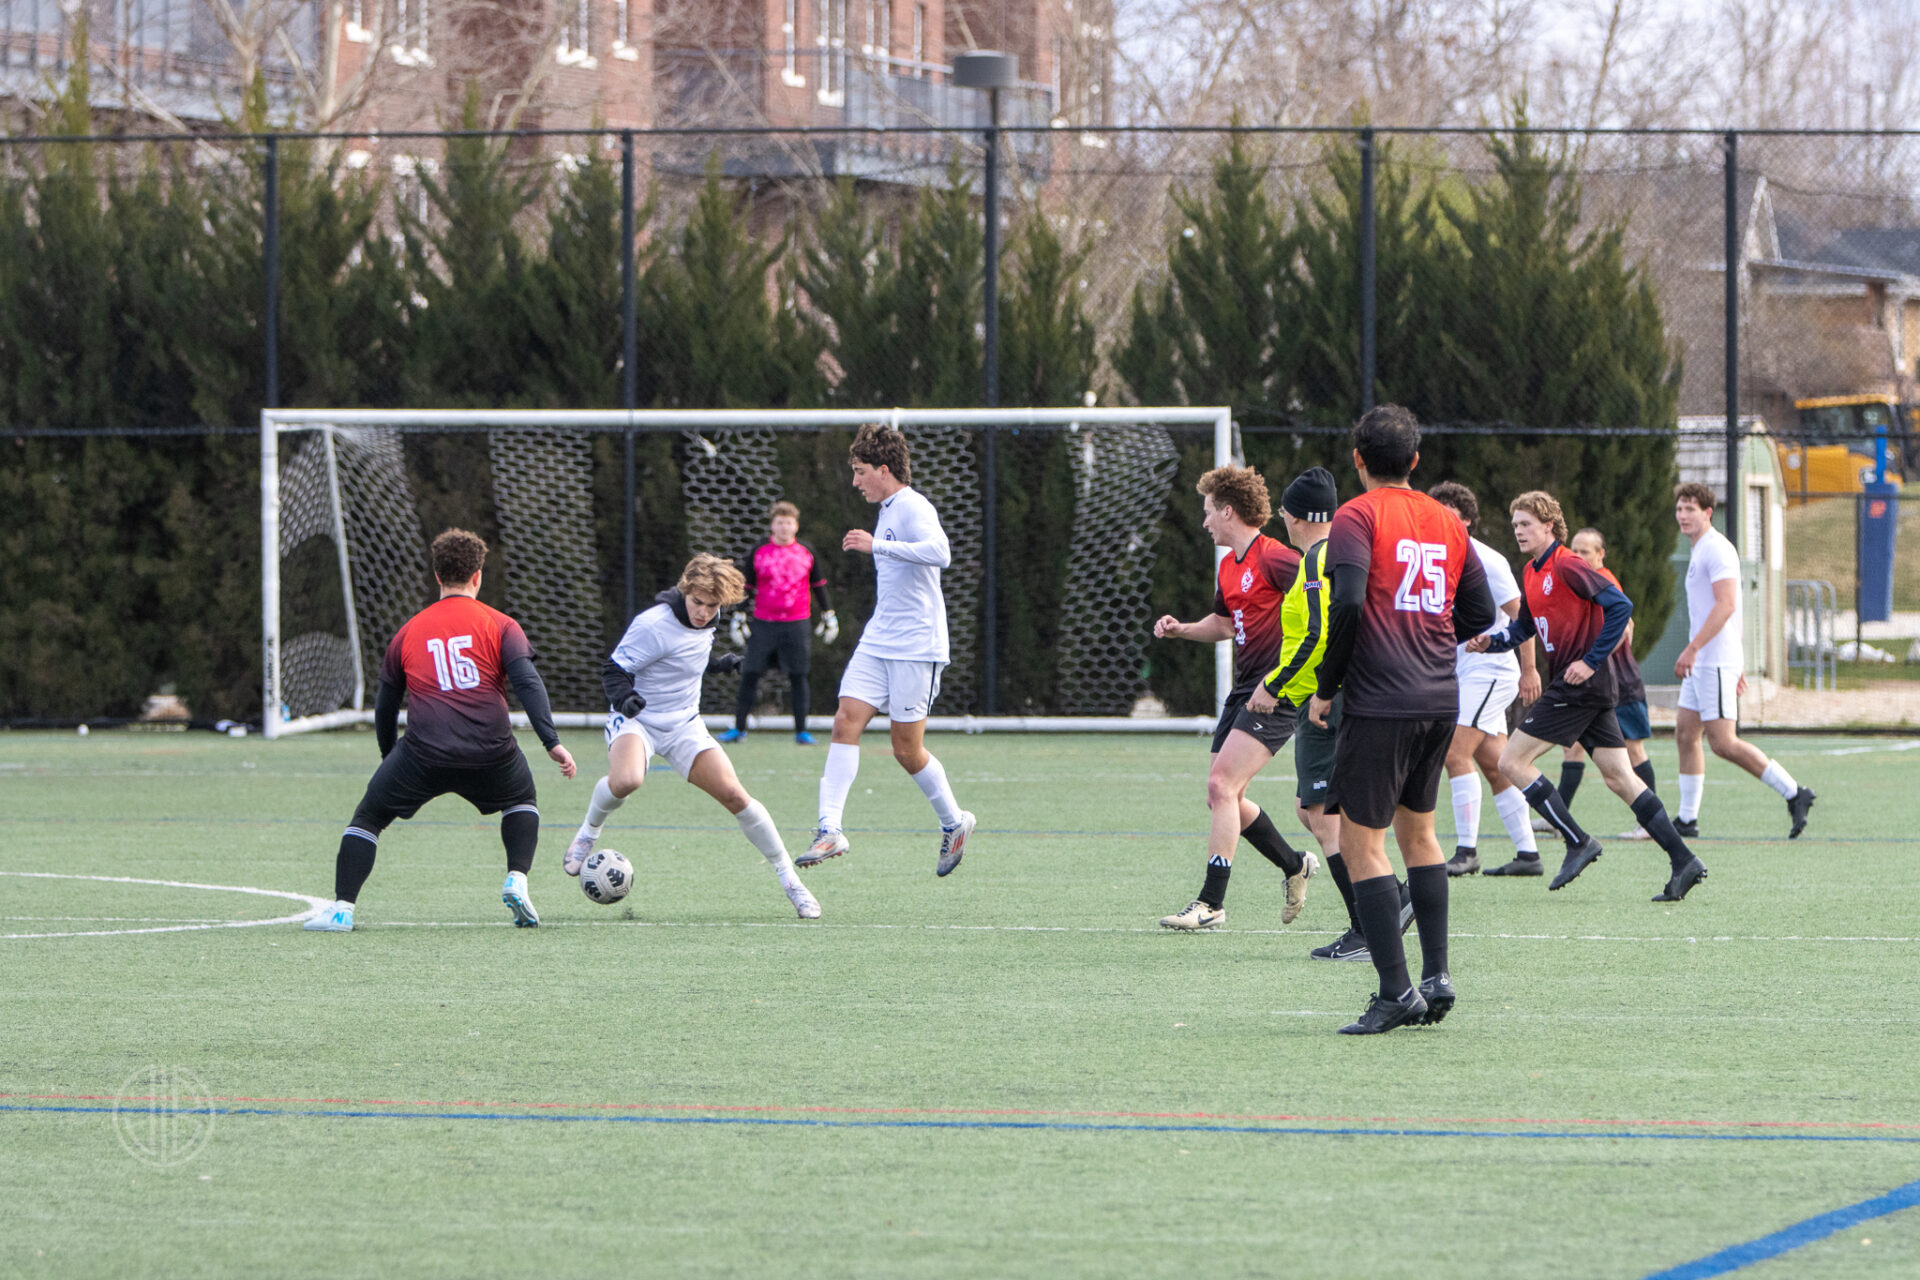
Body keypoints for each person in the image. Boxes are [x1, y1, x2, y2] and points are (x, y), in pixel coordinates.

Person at [1309, 406, 1497, 1035]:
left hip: (1381, 699)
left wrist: (1327, 685)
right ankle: (1436, 976)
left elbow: (1349, 602)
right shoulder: (1446, 519)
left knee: (1362, 843)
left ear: (1357, 459)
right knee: (1421, 835)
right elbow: (1479, 612)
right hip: (1439, 696)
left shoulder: (1356, 515)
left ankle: (1396, 991)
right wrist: (1428, 634)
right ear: (1415, 461)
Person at [305, 529, 577, 933]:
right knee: (521, 798)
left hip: (423, 754)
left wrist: (389, 758)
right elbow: (527, 682)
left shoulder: (408, 632)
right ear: (478, 576)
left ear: (436, 576)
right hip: (491, 751)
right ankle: (517, 878)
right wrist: (551, 742)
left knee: (369, 818)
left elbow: (385, 706)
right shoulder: (502, 625)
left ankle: (342, 909)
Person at [1468, 491, 1707, 903]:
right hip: (1584, 689)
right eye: (1515, 524)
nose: (1518, 531)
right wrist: (1491, 642)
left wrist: (1591, 661)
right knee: (1620, 778)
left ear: (1549, 526)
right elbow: (1524, 628)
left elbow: (1620, 606)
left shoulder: (1567, 563)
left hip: (1578, 687)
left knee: (1511, 762)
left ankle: (1577, 840)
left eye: (1526, 524)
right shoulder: (1531, 571)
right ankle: (1683, 859)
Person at [565, 554, 820, 920]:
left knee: (736, 795)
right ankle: (589, 832)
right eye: (698, 602)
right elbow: (614, 669)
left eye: (712, 606)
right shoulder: (653, 624)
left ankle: (790, 880)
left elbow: (684, 656)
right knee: (627, 780)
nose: (704, 612)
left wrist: (718, 664)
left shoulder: (710, 618)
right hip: (638, 720)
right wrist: (625, 698)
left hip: (684, 724)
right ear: (685, 590)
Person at [1250, 466, 1413, 962]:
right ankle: (1389, 903)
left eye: (1283, 511)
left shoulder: (1318, 558)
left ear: (1296, 516)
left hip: (1329, 697)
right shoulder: (1338, 553)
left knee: (1324, 818)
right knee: (1312, 810)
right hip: (1336, 694)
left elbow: (1320, 634)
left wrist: (1274, 684)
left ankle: (1369, 926)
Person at [797, 423, 975, 875]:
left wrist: (878, 545)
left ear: (883, 469)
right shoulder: (887, 509)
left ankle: (954, 822)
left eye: (860, 471)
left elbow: (941, 552)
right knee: (845, 721)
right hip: (880, 638)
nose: (855, 481)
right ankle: (829, 829)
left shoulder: (913, 505)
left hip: (917, 645)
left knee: (906, 750)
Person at [1152, 465, 1314, 930]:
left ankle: (1211, 903)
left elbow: (1322, 602)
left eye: (1208, 511)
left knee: (1222, 787)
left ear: (1228, 512)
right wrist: (1183, 629)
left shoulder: (1276, 558)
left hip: (1275, 691)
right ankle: (1294, 864)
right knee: (1221, 794)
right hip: (1243, 691)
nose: (1204, 522)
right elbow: (1225, 624)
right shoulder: (1228, 567)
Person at [1671, 482, 1815, 838]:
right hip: (1706, 661)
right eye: (1679, 509)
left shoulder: (1717, 548)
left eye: (1690, 509)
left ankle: (1795, 793)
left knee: (1723, 743)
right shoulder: (1699, 549)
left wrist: (1698, 651)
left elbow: (1728, 606)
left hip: (1713, 661)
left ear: (1708, 512)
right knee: (1686, 733)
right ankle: (1687, 819)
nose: (1683, 515)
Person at [1426, 482, 1544, 878]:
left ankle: (1466, 852)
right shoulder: (1434, 555)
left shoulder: (1486, 560)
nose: (1441, 521)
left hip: (1491, 670)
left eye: (1450, 515)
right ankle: (1529, 854)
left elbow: (1521, 616)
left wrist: (1529, 670)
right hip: (1464, 671)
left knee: (1454, 753)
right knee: (1496, 765)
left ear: (1467, 521)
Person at [1560, 527, 1658, 841]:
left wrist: (1591, 660)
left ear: (1601, 554)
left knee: (1634, 750)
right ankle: (1558, 817)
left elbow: (1625, 626)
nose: (1578, 557)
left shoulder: (1605, 581)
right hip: (1596, 683)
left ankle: (1649, 823)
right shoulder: (1583, 583)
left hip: (1620, 681)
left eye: (1585, 551)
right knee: (1572, 746)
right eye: (1574, 550)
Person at [720, 501, 836, 746]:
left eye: (789, 522)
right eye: (780, 522)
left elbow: (818, 585)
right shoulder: (759, 550)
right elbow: (748, 586)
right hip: (764, 623)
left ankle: (801, 731)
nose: (784, 527)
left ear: (796, 525)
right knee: (750, 673)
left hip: (797, 624)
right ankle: (738, 729)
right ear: (772, 525)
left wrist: (828, 614)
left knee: (798, 676)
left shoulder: (806, 551)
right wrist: (739, 615)